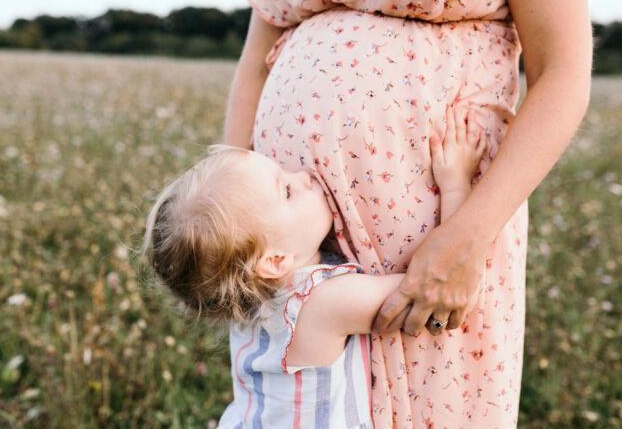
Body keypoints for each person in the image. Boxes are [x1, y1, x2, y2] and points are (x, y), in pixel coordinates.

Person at [223, 0, 592, 426]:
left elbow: (562, 70)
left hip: (443, 230)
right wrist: (228, 219)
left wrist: (468, 233)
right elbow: (257, 63)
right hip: (282, 238)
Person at [143, 112, 486, 427]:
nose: (305, 177)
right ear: (275, 261)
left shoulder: (247, 297)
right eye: (288, 191)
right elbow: (432, 289)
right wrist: (455, 184)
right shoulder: (322, 303)